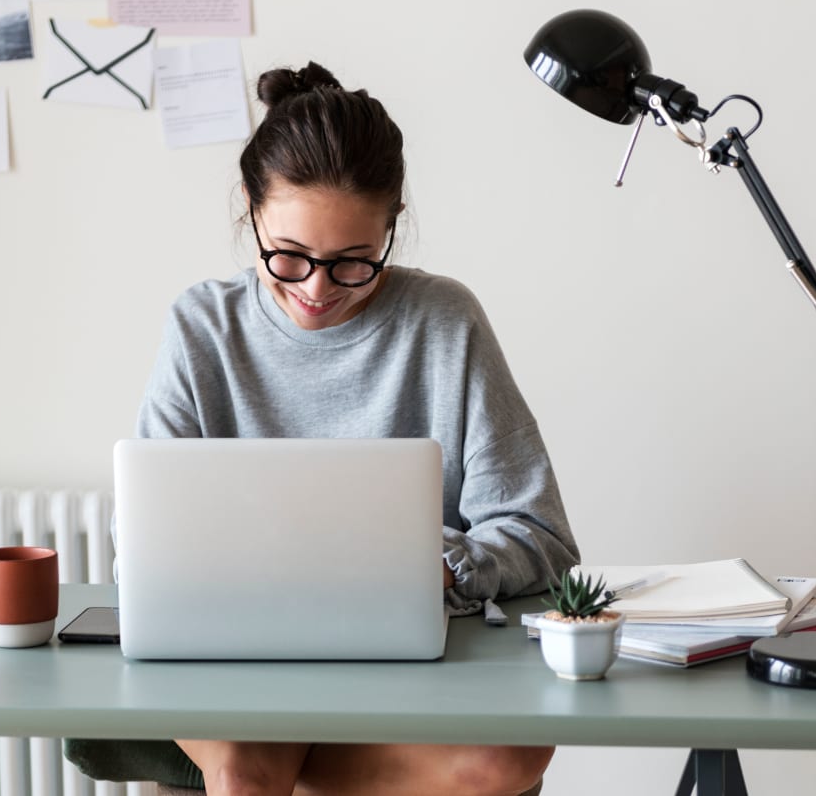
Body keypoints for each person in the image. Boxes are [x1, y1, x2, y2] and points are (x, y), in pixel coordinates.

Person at [133, 61, 580, 796]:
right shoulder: (201, 328)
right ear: (250, 209)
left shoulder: (444, 322)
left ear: (391, 229)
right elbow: (148, 540)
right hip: (236, 652)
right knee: (245, 771)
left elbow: (540, 535)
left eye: (352, 264)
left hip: (407, 661)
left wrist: (430, 566)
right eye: (289, 257)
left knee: (505, 761)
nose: (315, 290)